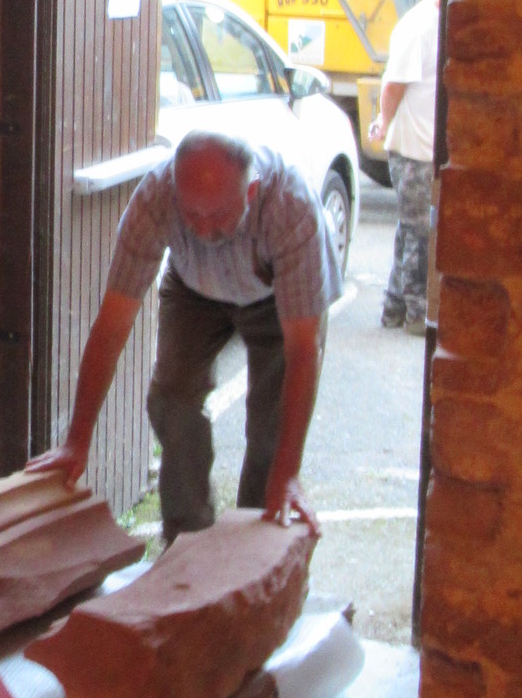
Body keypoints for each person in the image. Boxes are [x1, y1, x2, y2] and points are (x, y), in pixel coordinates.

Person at [33, 132, 336, 540]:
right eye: (191, 215)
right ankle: (186, 540)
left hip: (274, 296)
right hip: (194, 287)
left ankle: (258, 540)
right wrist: (77, 440)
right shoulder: (155, 200)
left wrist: (289, 474)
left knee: (272, 422)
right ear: (175, 190)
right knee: (172, 399)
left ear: (250, 192)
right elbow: (112, 326)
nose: (205, 229)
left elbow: (303, 351)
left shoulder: (290, 207)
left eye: (219, 216)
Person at [368, 0, 440, 336]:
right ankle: (416, 312)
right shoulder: (419, 26)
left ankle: (394, 307)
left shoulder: (442, 21)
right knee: (420, 233)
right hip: (414, 151)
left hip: (426, 148)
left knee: (411, 228)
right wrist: (383, 121)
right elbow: (393, 86)